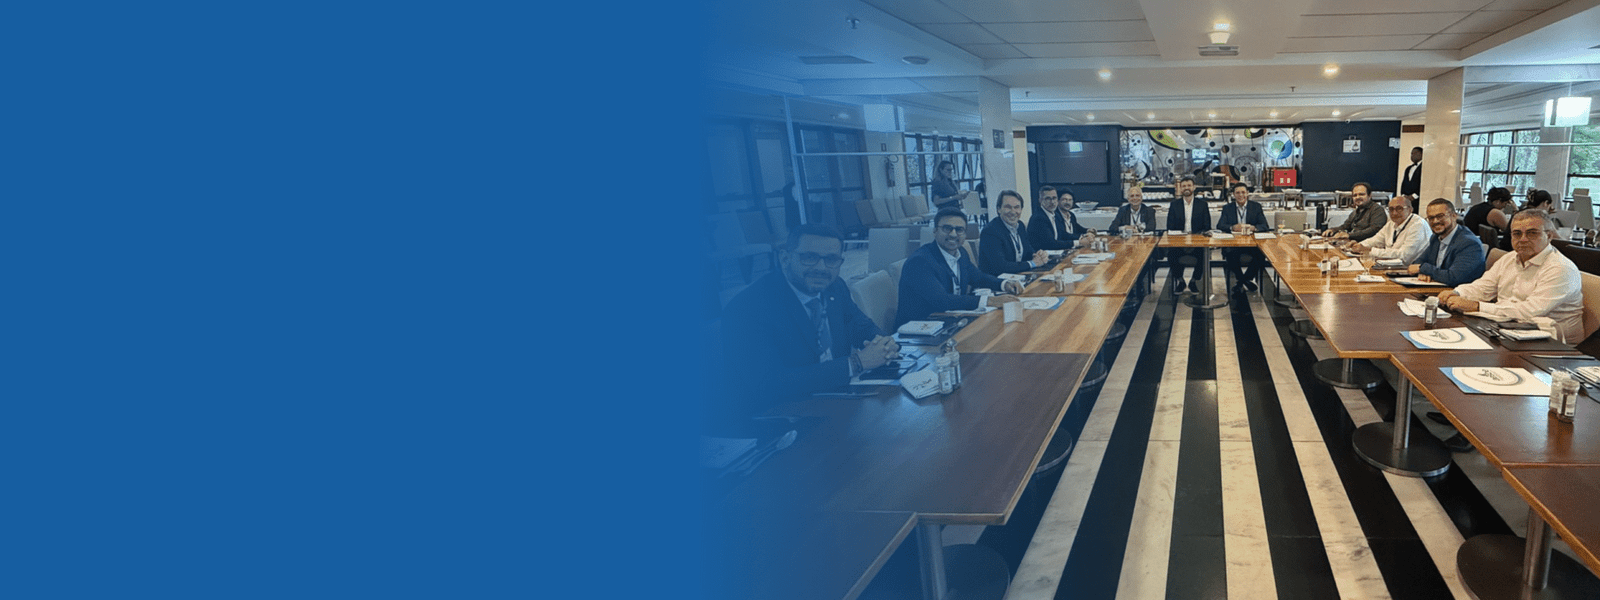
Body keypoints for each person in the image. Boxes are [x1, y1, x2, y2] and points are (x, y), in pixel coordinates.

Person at [719, 224, 902, 420]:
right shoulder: (749, 307)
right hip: (780, 417)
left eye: (831, 259)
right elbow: (769, 384)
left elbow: (860, 325)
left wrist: (885, 344)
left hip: (838, 401)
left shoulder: (834, 286)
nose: (821, 268)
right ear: (785, 258)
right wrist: (856, 363)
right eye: (809, 257)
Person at [1438, 209, 1584, 342]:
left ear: (1549, 236)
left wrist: (1476, 306)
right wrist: (1457, 293)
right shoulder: (1510, 258)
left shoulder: (1560, 268)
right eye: (1517, 233)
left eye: (1532, 233)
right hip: (1509, 328)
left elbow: (1528, 312)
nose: (1523, 239)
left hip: (1551, 342)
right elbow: (1483, 287)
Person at [897, 208, 1024, 326]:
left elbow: (978, 277)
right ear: (935, 231)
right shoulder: (920, 261)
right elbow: (942, 301)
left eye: (959, 230)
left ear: (965, 234)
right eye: (947, 228)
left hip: (952, 321)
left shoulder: (960, 253)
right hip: (920, 330)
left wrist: (1004, 284)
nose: (953, 234)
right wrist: (990, 301)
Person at [1403, 198, 1486, 287]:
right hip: (1438, 289)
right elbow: (1417, 263)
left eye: (1440, 216)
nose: (1435, 221)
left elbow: (1454, 277)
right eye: (1431, 218)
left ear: (1454, 216)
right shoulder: (1436, 238)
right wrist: (1423, 272)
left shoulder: (1469, 243)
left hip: (1459, 292)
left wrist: (1423, 269)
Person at [980, 190, 1051, 276]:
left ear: (1021, 209)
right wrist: (1032, 263)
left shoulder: (1020, 226)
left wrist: (1038, 255)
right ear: (999, 209)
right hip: (998, 281)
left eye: (1017, 207)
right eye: (1008, 207)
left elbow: (1028, 250)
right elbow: (1000, 267)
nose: (1013, 212)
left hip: (1019, 276)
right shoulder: (990, 231)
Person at [1216, 183, 1270, 292]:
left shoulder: (1256, 207)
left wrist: (1253, 228)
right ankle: (1244, 280)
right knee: (1229, 253)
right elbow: (1220, 225)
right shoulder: (1227, 208)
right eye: (1237, 193)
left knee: (1261, 254)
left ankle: (1242, 280)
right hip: (1234, 243)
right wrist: (1232, 227)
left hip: (1251, 243)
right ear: (1233, 195)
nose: (1241, 195)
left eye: (1243, 192)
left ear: (1247, 193)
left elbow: (1264, 226)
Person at [1166, 175, 1213, 294]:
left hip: (1197, 242)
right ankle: (1180, 281)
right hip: (1179, 242)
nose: (1186, 188)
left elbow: (1207, 226)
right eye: (1184, 186)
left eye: (1189, 185)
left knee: (1204, 255)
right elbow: (1170, 227)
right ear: (1180, 188)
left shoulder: (1202, 205)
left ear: (1194, 187)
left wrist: (1195, 238)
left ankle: (1193, 281)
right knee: (1171, 255)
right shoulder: (1174, 205)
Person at [1348, 195, 1429, 264]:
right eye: (1391, 209)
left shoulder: (1418, 225)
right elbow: (1375, 240)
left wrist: (1370, 250)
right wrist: (1359, 245)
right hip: (1391, 265)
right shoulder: (1391, 223)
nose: (1394, 213)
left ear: (1410, 209)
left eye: (1399, 208)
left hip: (1411, 270)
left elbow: (1404, 256)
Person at [1028, 185, 1088, 251]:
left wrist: (1083, 237)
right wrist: (1078, 242)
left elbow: (1063, 234)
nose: (1052, 202)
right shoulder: (1039, 218)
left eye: (1054, 198)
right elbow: (1051, 244)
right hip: (1044, 255)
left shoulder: (1056, 215)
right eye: (1048, 198)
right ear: (1040, 200)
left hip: (1056, 252)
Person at [1322, 182, 1387, 242]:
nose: (1357, 197)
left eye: (1361, 194)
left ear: (1369, 195)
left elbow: (1374, 230)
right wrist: (1332, 230)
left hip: (1367, 246)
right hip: (1353, 244)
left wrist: (1349, 235)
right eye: (1355, 195)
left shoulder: (1377, 210)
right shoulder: (1355, 212)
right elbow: (1345, 226)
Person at [1400, 146, 1422, 211]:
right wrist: (1404, 195)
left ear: (1421, 154)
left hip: (1418, 200)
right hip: (1407, 201)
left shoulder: (1424, 167)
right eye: (1411, 154)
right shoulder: (1408, 168)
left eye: (1415, 153)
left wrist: (1414, 196)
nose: (1412, 155)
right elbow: (1404, 183)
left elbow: (1424, 184)